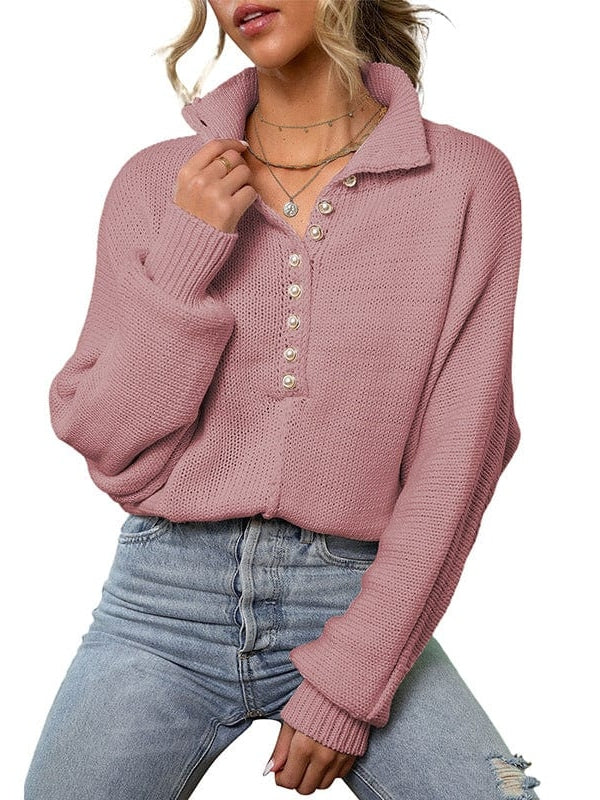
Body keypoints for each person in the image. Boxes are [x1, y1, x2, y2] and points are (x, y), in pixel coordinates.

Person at [24, 1, 543, 798]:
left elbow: (460, 458)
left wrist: (350, 686)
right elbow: (106, 436)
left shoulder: (467, 180)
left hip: (359, 597)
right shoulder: (157, 182)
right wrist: (190, 248)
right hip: (162, 601)